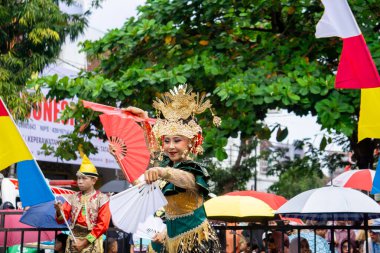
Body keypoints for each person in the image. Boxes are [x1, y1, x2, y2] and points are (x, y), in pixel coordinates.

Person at [125, 85, 221, 253]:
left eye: (177, 140)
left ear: (192, 142)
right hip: (171, 239)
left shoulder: (193, 169)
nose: (170, 146)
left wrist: (163, 172)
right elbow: (138, 182)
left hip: (195, 242)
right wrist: (119, 157)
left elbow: (187, 180)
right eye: (166, 141)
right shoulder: (166, 168)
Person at [54, 149, 111, 253]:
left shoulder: (102, 199)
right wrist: (58, 211)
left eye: (84, 178)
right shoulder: (72, 198)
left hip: (91, 242)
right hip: (73, 242)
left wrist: (84, 243)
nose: (80, 181)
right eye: (78, 178)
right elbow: (62, 220)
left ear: (94, 180)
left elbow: (103, 225)